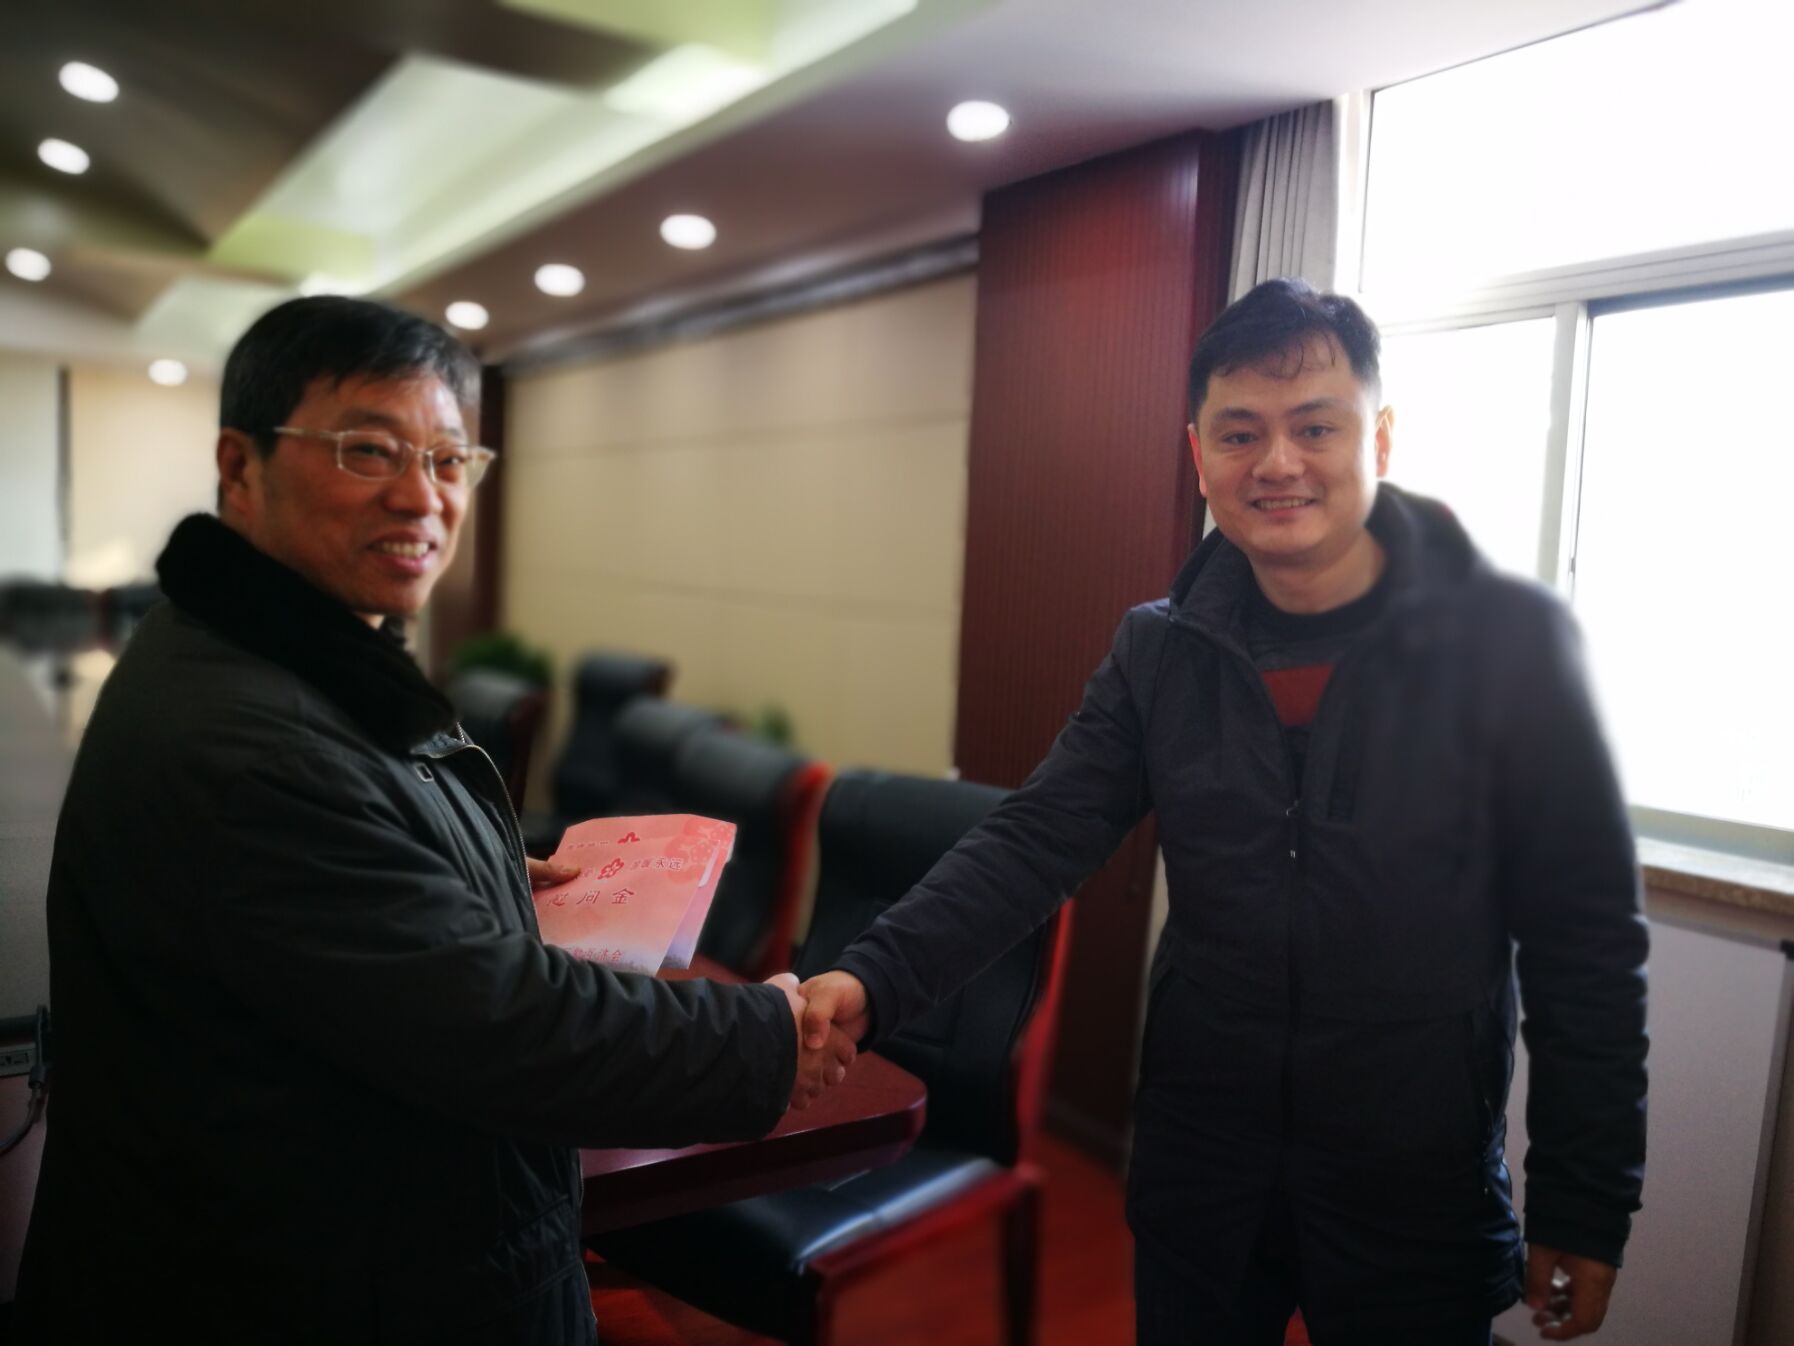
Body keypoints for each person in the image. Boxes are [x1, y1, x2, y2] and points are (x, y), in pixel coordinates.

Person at [799, 279, 1648, 1345]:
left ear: (1380, 437)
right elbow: (1035, 838)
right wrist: (872, 977)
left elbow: (1586, 941)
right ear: (1200, 457)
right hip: (1205, 1167)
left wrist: (1584, 1202)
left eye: (1316, 427)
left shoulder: (1509, 648)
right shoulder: (1160, 649)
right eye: (1240, 433)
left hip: (1412, 1180)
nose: (1278, 462)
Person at [15, 296, 853, 1345]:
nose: (423, 496)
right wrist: (765, 1038)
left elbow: (352, 896)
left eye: (450, 459)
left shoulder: (270, 651)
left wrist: (475, 871)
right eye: (369, 450)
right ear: (240, 465)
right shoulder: (252, 739)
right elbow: (511, 1031)